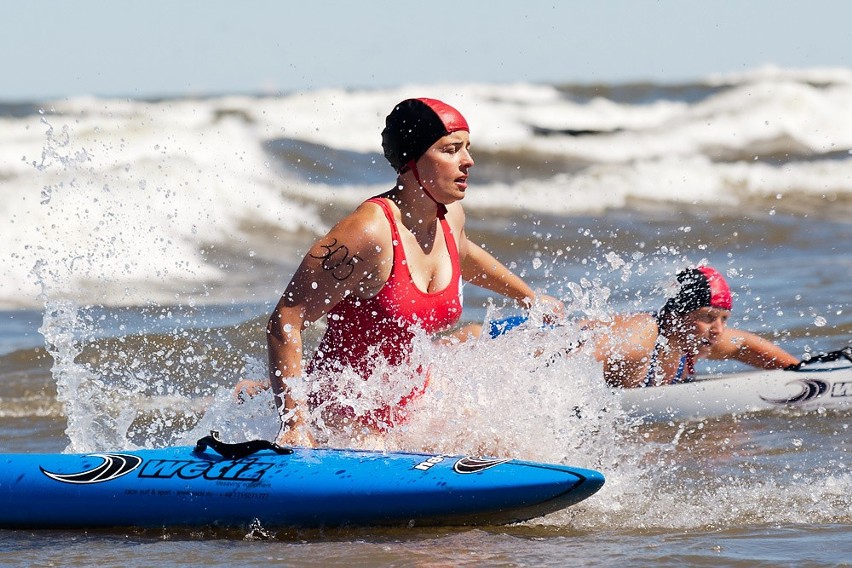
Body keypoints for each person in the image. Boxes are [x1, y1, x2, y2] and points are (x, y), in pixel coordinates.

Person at [240, 98, 563, 446]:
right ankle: (258, 394)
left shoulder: (449, 218)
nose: (468, 161)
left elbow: (465, 254)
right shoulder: (367, 233)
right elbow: (286, 320)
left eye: (467, 149)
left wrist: (529, 297)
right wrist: (294, 424)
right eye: (451, 150)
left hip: (412, 406)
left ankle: (254, 391)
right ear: (413, 160)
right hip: (343, 413)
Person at [584, 265, 800, 388]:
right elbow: (571, 359)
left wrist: (802, 373)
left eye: (724, 319)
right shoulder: (642, 335)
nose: (718, 329)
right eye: (708, 316)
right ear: (675, 316)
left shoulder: (696, 338)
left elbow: (742, 344)